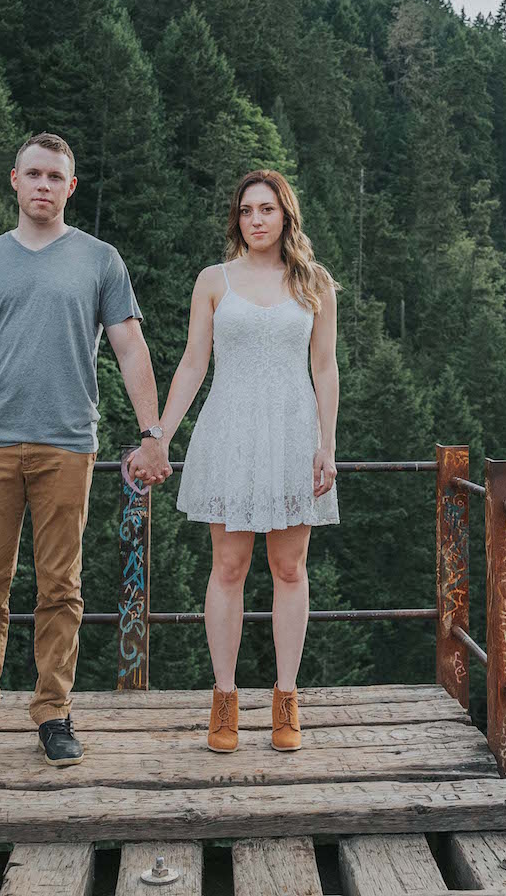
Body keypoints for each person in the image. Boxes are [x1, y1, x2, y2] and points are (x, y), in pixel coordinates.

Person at [0, 132, 171, 770]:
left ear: (71, 187)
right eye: (33, 173)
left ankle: (54, 712)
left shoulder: (99, 260)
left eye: (54, 176)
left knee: (60, 587)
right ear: (13, 179)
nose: (42, 185)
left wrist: (152, 433)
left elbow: (130, 347)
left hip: (67, 445)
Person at [156, 169, 340, 754]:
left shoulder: (314, 283)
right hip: (229, 432)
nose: (255, 220)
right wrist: (160, 433)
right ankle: (225, 697)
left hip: (292, 434)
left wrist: (326, 444)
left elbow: (326, 368)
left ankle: (286, 698)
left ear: (286, 215)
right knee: (228, 568)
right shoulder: (214, 281)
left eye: (266, 209)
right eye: (245, 211)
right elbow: (192, 363)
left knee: (290, 570)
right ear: (236, 219)